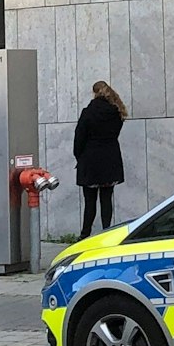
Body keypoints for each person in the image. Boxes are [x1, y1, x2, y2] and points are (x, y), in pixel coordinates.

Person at [73, 81, 127, 238]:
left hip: (91, 161)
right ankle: (106, 233)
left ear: (94, 92)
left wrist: (80, 157)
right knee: (106, 199)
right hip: (110, 160)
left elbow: (79, 138)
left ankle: (85, 235)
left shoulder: (88, 112)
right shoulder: (117, 112)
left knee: (90, 201)